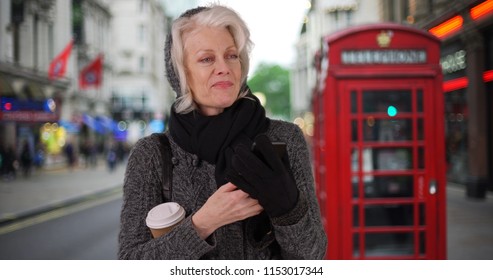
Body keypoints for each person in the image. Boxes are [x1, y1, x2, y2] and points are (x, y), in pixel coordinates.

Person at [119, 4, 327, 260]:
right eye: (207, 59)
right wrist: (203, 223)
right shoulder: (151, 154)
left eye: (231, 55)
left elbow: (314, 254)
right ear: (181, 73)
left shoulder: (285, 138)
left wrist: (288, 209)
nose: (224, 67)